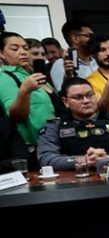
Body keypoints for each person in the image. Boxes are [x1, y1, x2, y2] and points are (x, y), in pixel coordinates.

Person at [38, 77, 109, 169]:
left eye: (90, 95)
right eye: (78, 97)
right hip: (74, 178)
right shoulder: (55, 126)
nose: (86, 101)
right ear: (65, 101)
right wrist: (81, 160)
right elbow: (46, 158)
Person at [0, 31, 62, 166]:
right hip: (33, 148)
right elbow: (15, 115)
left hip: (56, 141)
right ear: (1, 54)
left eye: (25, 48)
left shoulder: (32, 75)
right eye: (15, 49)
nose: (23, 52)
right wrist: (24, 91)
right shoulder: (4, 77)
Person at [49, 21, 98, 91]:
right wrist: (68, 76)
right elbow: (63, 92)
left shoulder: (98, 62)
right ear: (75, 38)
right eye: (88, 35)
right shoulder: (61, 64)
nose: (93, 39)